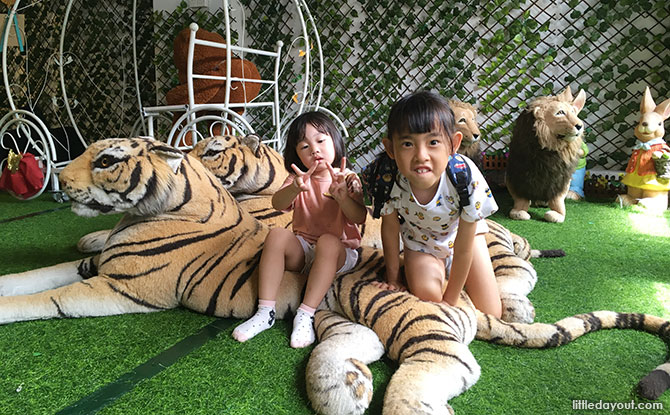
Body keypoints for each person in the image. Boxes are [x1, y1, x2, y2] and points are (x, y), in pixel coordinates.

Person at [232, 111, 367, 348]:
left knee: (327, 241)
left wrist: (344, 197)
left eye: (321, 141)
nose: (314, 149)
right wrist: (294, 188)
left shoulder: (348, 177)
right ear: (296, 155)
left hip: (339, 253)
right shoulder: (299, 179)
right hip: (304, 251)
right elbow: (277, 204)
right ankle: (265, 312)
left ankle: (305, 314)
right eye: (304, 146)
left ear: (335, 142)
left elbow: (360, 216)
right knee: (276, 234)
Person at [375, 90, 502, 317]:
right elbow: (390, 228)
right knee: (429, 295)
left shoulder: (465, 177)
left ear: (453, 144)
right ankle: (433, 271)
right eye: (407, 144)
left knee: (492, 312)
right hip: (421, 245)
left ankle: (456, 277)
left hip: (464, 239)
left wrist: (450, 301)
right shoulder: (388, 177)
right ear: (390, 149)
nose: (421, 155)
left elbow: (464, 248)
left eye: (433, 142)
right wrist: (393, 278)